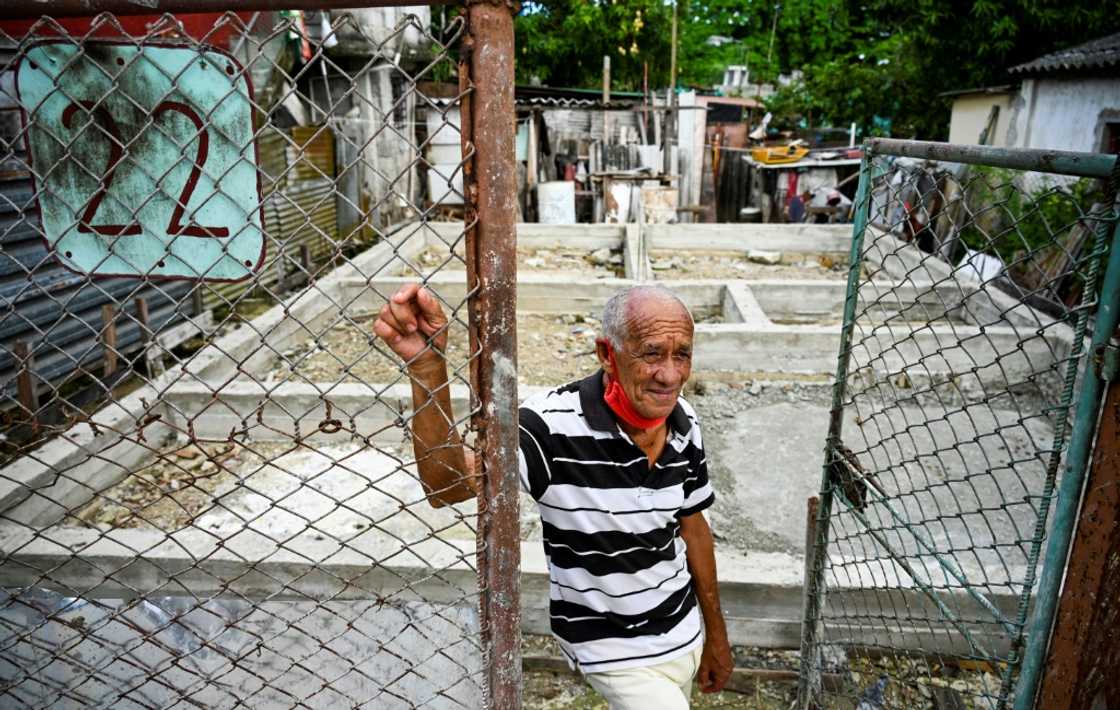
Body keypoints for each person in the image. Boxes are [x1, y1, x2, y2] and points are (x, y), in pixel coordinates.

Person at [373, 282, 733, 709]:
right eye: (652, 353)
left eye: (682, 355)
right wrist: (428, 369)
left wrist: (717, 636)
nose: (670, 374)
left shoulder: (685, 420)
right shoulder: (549, 427)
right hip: (609, 646)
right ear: (606, 354)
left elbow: (693, 529)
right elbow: (447, 486)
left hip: (681, 631)